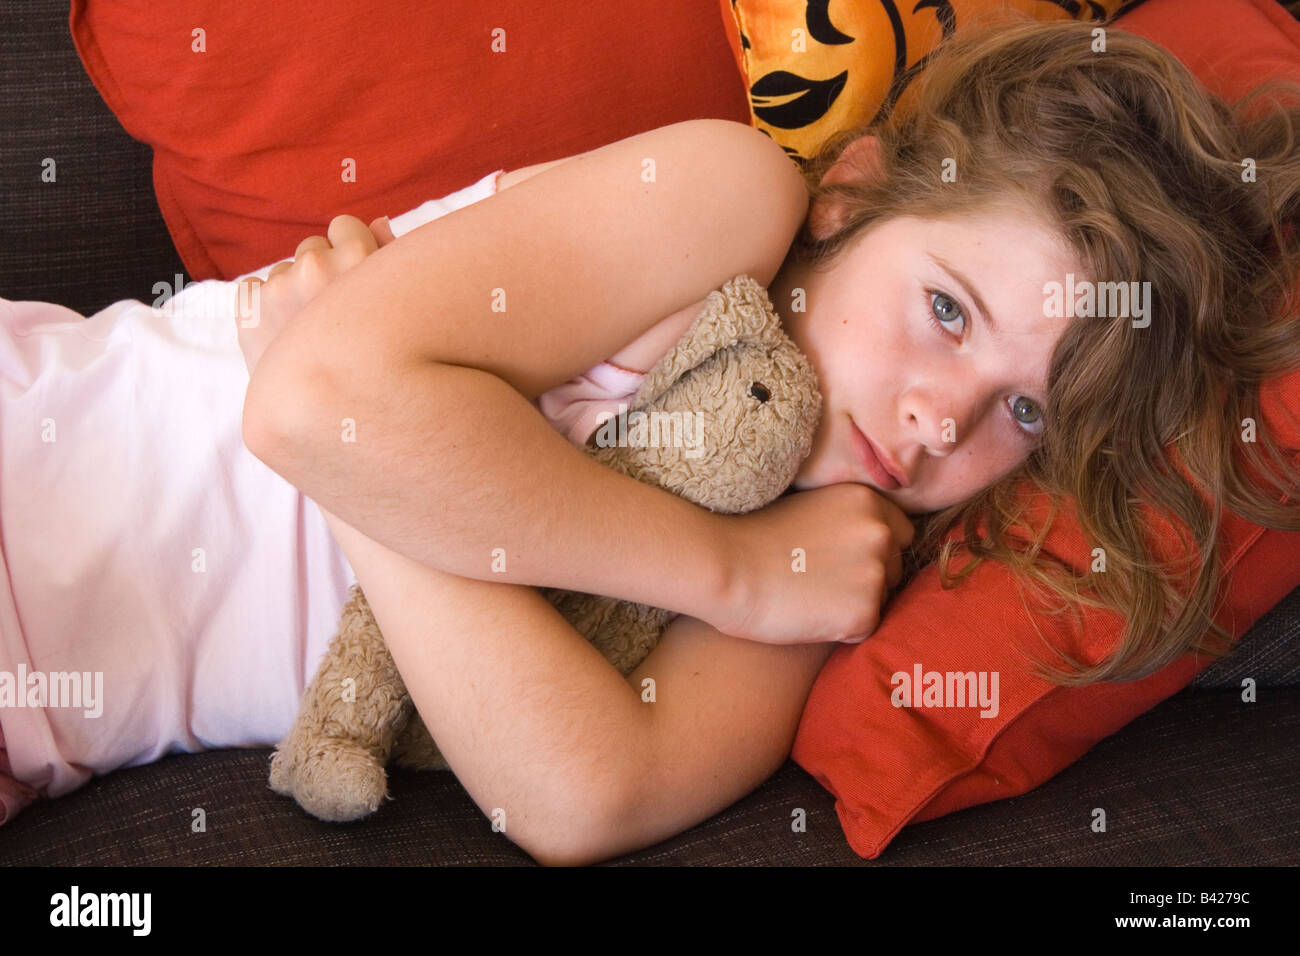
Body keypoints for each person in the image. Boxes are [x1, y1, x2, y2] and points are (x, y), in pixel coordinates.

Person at [3, 18, 1299, 865]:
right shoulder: (727, 202)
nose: (940, 417)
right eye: (947, 311)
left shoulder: (834, 573)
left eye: (1026, 411)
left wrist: (359, 466)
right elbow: (311, 411)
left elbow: (578, 797)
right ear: (853, 197)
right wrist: (725, 571)